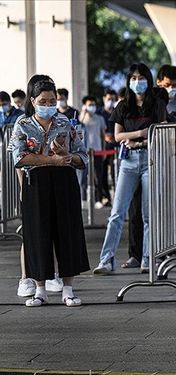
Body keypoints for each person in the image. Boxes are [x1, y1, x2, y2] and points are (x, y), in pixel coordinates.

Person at [11, 77, 90, 307]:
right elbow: (20, 157)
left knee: (67, 232)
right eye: (43, 100)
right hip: (36, 181)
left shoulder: (66, 122)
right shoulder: (22, 124)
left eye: (52, 100)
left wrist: (66, 156)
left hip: (64, 180)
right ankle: (40, 289)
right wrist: (51, 159)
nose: (48, 104)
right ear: (33, 101)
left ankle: (68, 289)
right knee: (37, 234)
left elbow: (81, 156)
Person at [93, 63, 167, 275]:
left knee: (148, 214)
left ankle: (147, 258)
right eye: (133, 78)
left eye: (141, 77)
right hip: (128, 161)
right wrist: (141, 134)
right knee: (117, 212)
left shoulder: (157, 104)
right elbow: (118, 136)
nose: (137, 82)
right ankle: (106, 260)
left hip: (151, 160)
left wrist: (141, 140)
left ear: (148, 80)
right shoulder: (123, 105)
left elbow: (160, 131)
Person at [78, 96, 107, 205]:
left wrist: (103, 150)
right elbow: (78, 127)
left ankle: (98, 199)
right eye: (90, 105)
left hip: (98, 150)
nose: (92, 107)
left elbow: (102, 135)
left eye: (93, 104)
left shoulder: (100, 118)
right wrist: (83, 113)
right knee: (84, 177)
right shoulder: (82, 118)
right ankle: (83, 199)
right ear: (85, 105)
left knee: (98, 176)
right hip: (85, 151)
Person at [96, 89, 118, 207]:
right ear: (104, 99)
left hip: (116, 147)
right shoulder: (99, 113)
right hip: (102, 147)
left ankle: (117, 197)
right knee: (102, 174)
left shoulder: (117, 112)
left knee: (116, 172)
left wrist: (114, 137)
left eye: (113, 99)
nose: (111, 101)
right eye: (109, 99)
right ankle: (105, 197)